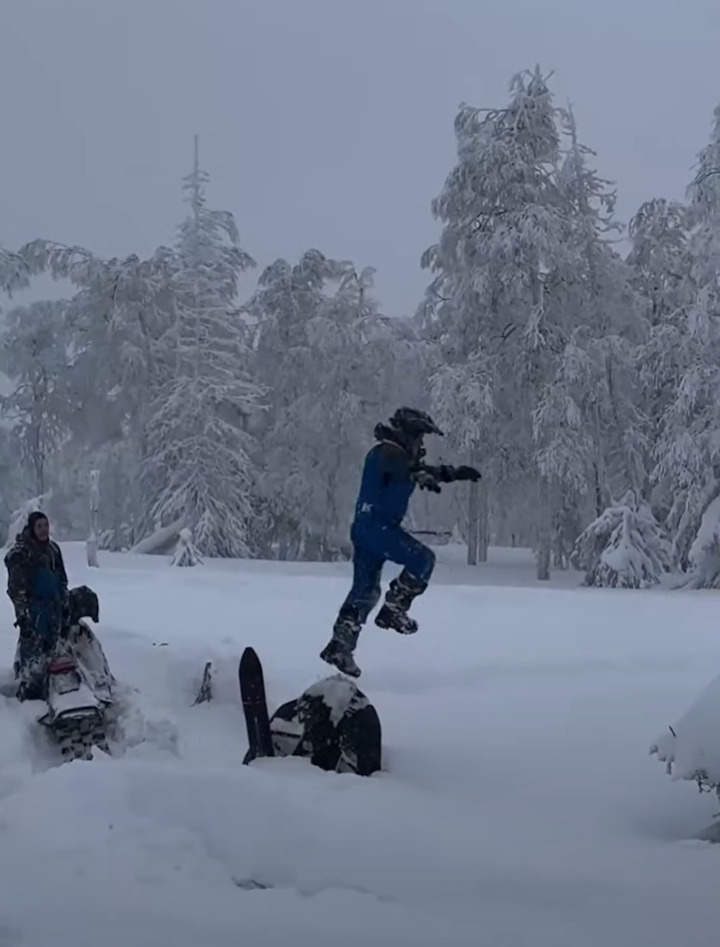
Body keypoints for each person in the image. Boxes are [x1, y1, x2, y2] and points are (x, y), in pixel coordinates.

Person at [320, 407, 481, 676]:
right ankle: (394, 610)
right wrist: (420, 474)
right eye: (420, 439)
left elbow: (414, 469)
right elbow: (403, 468)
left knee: (366, 591)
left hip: (366, 528)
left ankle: (340, 646)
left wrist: (451, 473)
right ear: (408, 434)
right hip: (377, 528)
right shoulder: (387, 452)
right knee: (423, 559)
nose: (422, 446)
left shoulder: (394, 454)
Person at [4, 511, 71, 700]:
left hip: (53, 609)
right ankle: (30, 699)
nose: (43, 530)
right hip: (34, 611)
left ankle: (52, 693)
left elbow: (62, 580)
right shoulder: (22, 553)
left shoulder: (53, 550)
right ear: (32, 528)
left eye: (45, 525)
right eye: (39, 526)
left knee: (53, 653)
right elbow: (16, 590)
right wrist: (23, 617)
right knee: (33, 658)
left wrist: (64, 604)